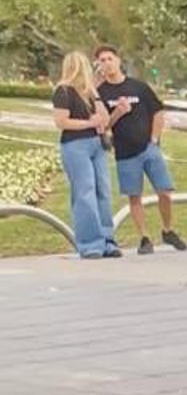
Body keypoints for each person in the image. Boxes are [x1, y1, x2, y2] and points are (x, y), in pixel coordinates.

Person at [94, 46, 186, 254]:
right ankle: (144, 237)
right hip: (125, 152)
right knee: (134, 196)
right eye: (102, 60)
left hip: (148, 147)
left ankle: (168, 230)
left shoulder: (138, 87)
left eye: (110, 58)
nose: (107, 63)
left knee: (164, 191)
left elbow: (158, 112)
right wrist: (118, 112)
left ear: (118, 60)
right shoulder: (101, 94)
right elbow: (103, 125)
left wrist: (154, 138)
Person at [51, 52, 119, 259]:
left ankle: (107, 240)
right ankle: (90, 243)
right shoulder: (63, 91)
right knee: (85, 191)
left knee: (103, 191)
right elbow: (61, 122)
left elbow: (104, 119)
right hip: (75, 144)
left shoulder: (90, 92)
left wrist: (95, 94)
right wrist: (89, 123)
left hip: (96, 144)